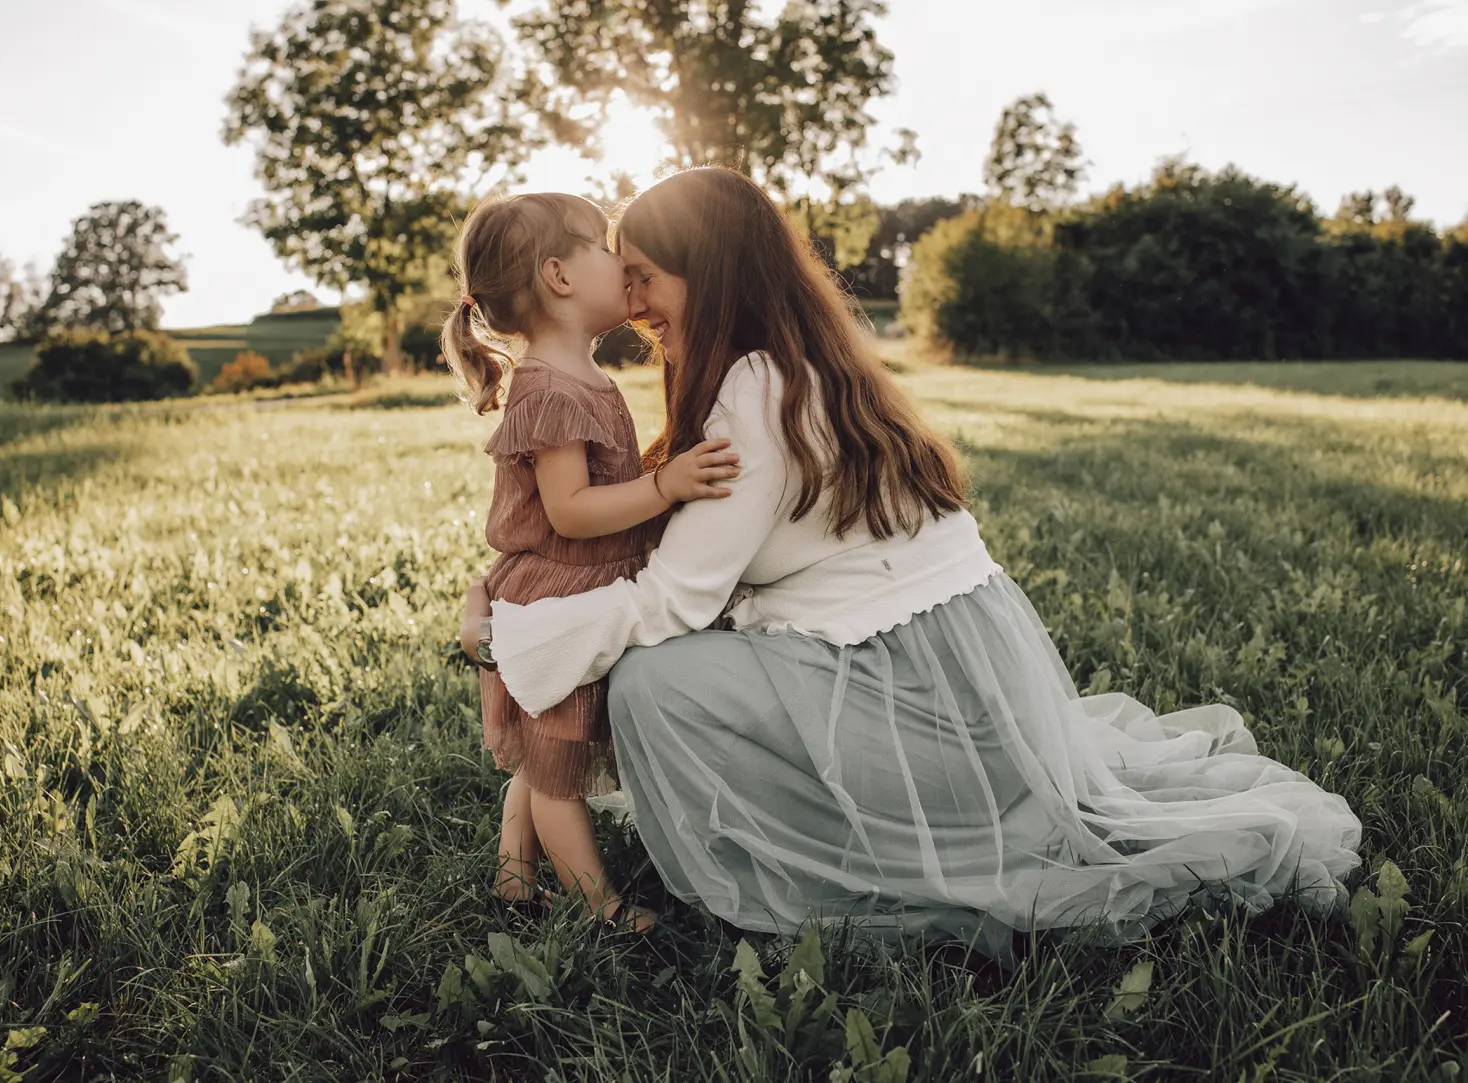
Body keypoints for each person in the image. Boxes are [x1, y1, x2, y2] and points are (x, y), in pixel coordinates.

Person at [460, 169, 1362, 961]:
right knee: (670, 666)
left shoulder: (757, 393)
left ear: (714, 273)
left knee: (654, 680)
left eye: (648, 275)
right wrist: (518, 583)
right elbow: (669, 545)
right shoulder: (802, 364)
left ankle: (822, 851)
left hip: (921, 711)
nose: (636, 297)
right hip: (967, 694)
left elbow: (674, 595)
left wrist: (516, 633)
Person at [441, 192, 740, 931]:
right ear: (560, 275)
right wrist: (663, 484)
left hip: (578, 591)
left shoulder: (579, 377)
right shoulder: (547, 388)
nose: (626, 267)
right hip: (558, 600)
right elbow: (571, 510)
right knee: (557, 774)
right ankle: (597, 907)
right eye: (609, 250)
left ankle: (515, 875)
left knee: (548, 749)